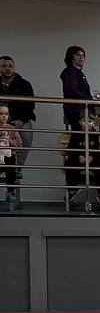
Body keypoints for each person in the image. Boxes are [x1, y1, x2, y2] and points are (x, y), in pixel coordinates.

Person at [0, 56, 35, 209]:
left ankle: (18, 167)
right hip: (1, 120)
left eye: (10, 66)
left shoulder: (24, 84)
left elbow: (30, 106)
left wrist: (20, 121)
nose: (7, 68)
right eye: (4, 66)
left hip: (19, 119)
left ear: (14, 67)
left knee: (27, 134)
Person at [60, 45, 93, 200]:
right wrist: (90, 99)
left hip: (81, 110)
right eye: (78, 55)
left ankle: (72, 185)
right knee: (76, 148)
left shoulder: (78, 73)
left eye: (83, 55)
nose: (82, 57)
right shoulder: (70, 72)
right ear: (71, 57)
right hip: (76, 111)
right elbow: (72, 91)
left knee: (79, 146)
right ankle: (72, 184)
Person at [0, 104, 22, 210]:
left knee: (11, 167)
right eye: (1, 114)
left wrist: (9, 141)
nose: (3, 116)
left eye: (6, 114)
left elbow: (19, 145)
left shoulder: (12, 129)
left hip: (7, 156)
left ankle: (10, 191)